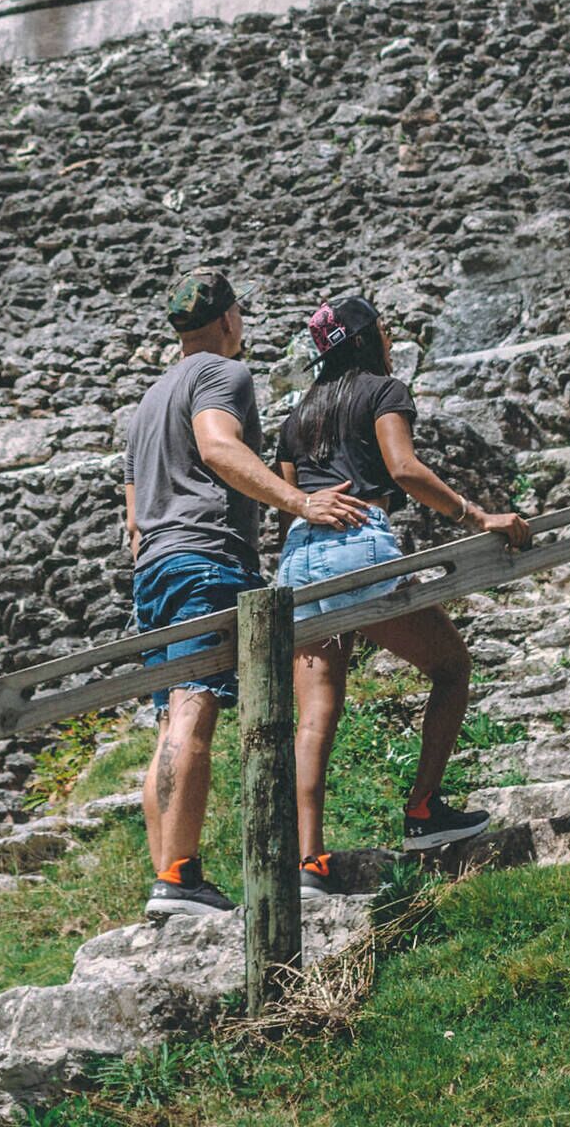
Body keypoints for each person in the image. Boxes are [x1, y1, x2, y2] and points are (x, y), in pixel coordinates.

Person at [120, 271, 373, 918]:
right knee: (195, 707)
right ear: (230, 320)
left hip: (155, 567)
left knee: (169, 716)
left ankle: (171, 875)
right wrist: (299, 501)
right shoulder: (221, 376)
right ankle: (178, 878)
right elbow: (216, 444)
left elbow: (132, 515)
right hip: (204, 559)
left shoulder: (148, 401)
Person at [272, 294, 529, 888]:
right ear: (368, 340)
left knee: (315, 712)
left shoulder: (297, 418)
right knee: (451, 667)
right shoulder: (383, 392)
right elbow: (404, 468)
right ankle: (423, 810)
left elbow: (288, 505)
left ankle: (308, 860)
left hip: (300, 559)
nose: (389, 340)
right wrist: (476, 514)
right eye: (384, 332)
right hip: (359, 543)